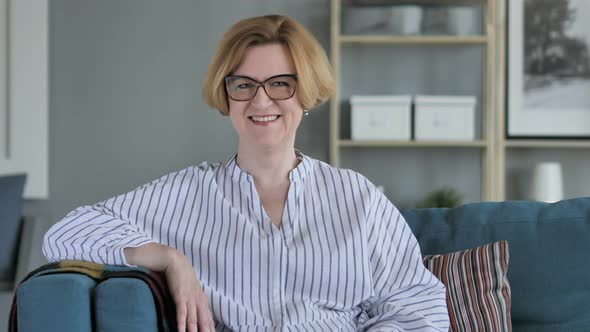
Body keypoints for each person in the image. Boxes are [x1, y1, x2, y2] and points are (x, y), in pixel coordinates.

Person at [43, 14, 449, 332]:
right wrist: (169, 259)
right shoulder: (184, 194)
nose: (261, 100)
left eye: (280, 84)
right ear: (226, 95)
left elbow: (416, 301)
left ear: (305, 93)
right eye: (243, 85)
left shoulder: (357, 197)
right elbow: (65, 235)